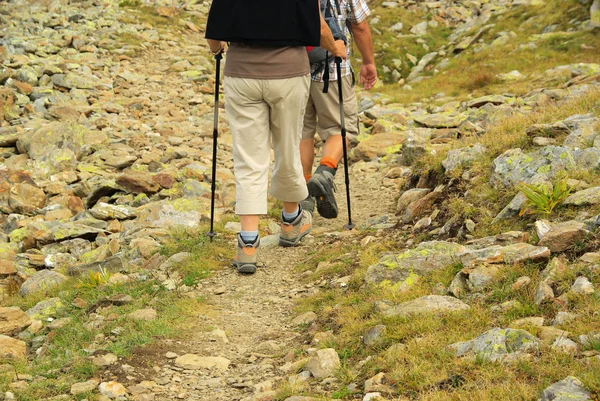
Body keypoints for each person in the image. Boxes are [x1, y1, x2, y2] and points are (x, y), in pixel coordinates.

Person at [206, 1, 346, 274]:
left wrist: (217, 50)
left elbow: (214, 33)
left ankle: (247, 242)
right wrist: (334, 48)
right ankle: (291, 220)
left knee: (248, 156)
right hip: (289, 73)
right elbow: (317, 26)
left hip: (241, 74)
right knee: (287, 147)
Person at [300, 0, 377, 219]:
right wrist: (368, 62)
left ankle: (304, 196)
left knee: (301, 133)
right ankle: (324, 172)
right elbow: (359, 26)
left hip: (295, 70)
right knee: (341, 129)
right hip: (333, 68)